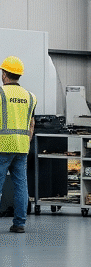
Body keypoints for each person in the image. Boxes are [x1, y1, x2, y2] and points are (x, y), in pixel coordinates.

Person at [0, 57, 36, 233]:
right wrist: (26, 141)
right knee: (21, 186)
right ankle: (19, 223)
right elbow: (32, 124)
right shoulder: (30, 96)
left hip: (2, 146)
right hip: (22, 147)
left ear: (4, 74)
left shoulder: (0, 94)